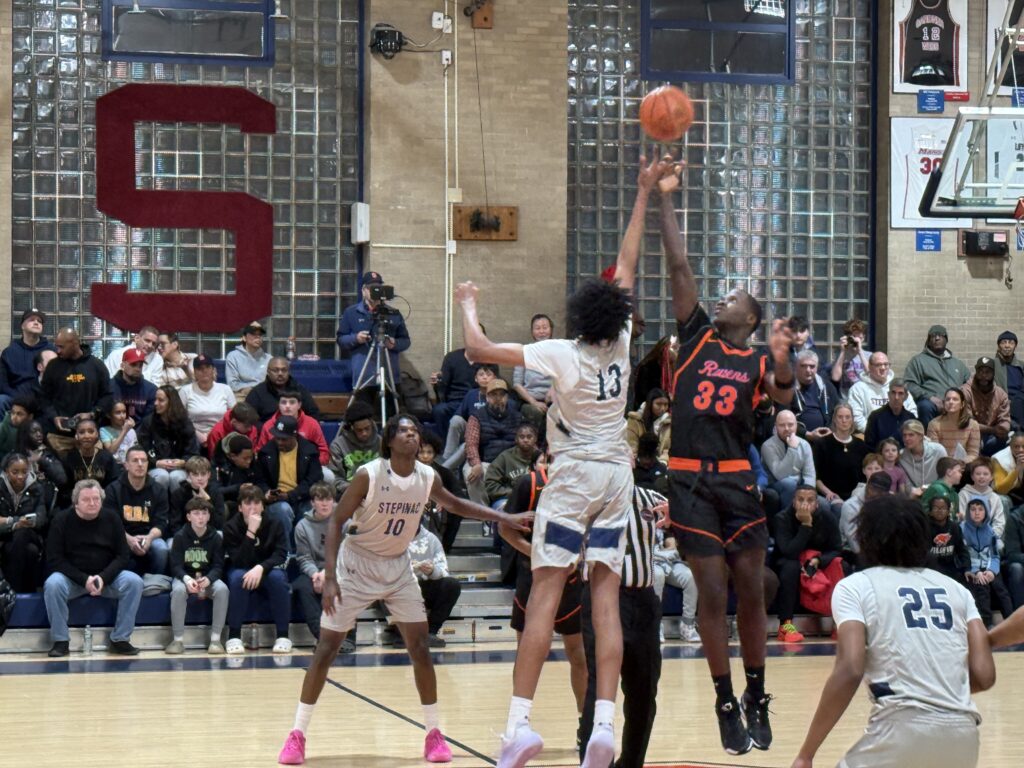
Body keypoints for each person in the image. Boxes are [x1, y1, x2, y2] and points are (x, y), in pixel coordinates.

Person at [455, 154, 669, 768]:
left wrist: (469, 301)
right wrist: (643, 192)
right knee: (604, 596)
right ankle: (603, 722)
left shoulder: (559, 354)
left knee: (546, 594)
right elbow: (627, 262)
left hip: (574, 473)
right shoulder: (625, 344)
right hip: (617, 478)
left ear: (578, 315)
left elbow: (477, 348)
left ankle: (518, 726)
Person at [276, 414, 528, 766]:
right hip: (357, 564)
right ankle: (297, 734)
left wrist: (503, 517)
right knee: (326, 649)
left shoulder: (428, 476)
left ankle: (433, 733)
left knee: (420, 647)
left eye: (416, 431)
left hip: (397, 565)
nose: (413, 435)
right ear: (391, 440)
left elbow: (456, 504)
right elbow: (335, 520)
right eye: (405, 431)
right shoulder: (370, 475)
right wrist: (330, 575)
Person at [660, 155, 795, 756]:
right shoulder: (694, 339)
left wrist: (784, 353)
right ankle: (722, 698)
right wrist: (665, 195)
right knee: (711, 591)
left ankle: (757, 693)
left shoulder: (759, 359)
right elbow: (679, 262)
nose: (722, 298)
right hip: (689, 481)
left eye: (735, 296)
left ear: (753, 318)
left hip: (738, 480)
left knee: (753, 589)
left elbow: (784, 395)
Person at [790, 496, 995, 768]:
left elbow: (850, 669)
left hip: (899, 729)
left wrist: (807, 754)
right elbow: (984, 675)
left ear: (866, 537)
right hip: (964, 736)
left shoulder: (856, 586)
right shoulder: (957, 590)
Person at [577, 485, 668, 768]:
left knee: (644, 692)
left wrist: (682, 517)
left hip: (643, 600)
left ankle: (631, 763)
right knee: (598, 690)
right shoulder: (584, 495)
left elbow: (690, 524)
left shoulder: (653, 499)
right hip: (601, 599)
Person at [498, 461, 589, 740]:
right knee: (527, 654)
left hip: (572, 582)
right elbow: (505, 529)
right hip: (534, 580)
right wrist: (537, 555)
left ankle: (585, 726)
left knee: (580, 657)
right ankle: (517, 725)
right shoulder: (530, 483)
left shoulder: (586, 483)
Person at [44, 479, 144, 657]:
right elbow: (55, 559)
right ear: (76, 502)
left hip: (105, 579)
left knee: (134, 581)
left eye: (96, 499)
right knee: (53, 584)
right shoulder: (62, 520)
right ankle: (61, 641)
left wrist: (103, 578)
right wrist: (85, 580)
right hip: (73, 580)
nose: (92, 503)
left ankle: (120, 639)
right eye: (86, 499)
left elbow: (123, 556)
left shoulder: (112, 518)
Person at [222, 483, 291, 654]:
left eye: (256, 503)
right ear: (239, 507)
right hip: (242, 567)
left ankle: (283, 635)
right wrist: (251, 532)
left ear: (263, 505)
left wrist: (261, 567)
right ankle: (234, 636)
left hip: (266, 569)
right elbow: (238, 560)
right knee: (238, 578)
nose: (253, 508)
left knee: (278, 578)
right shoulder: (231, 527)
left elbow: (281, 554)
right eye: (248, 504)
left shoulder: (275, 523)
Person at [773, 485, 842, 643]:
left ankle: (838, 621)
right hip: (789, 560)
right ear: (793, 502)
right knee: (790, 566)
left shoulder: (827, 517)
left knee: (840, 564)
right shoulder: (782, 518)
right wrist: (806, 525)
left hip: (817, 561)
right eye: (801, 499)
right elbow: (789, 551)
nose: (805, 504)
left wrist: (819, 560)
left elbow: (837, 548)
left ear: (817, 503)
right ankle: (786, 625)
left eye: (810, 500)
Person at [336, 271, 411, 414]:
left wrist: (394, 344)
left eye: (378, 287)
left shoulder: (393, 313)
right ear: (363, 290)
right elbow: (340, 339)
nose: (375, 291)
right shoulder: (351, 313)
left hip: (389, 375)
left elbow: (406, 341)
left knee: (393, 416)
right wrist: (355, 338)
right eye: (371, 288)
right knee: (362, 416)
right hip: (364, 374)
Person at [166, 497, 228, 655]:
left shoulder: (216, 538)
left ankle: (215, 640)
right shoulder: (180, 537)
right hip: (185, 577)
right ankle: (177, 640)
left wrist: (209, 579)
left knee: (222, 590)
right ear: (189, 516)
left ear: (209, 516)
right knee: (178, 591)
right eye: (196, 513)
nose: (200, 517)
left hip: (207, 578)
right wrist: (187, 579)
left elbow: (218, 566)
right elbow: (175, 566)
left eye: (204, 513)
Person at [292, 482, 347, 649]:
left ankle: (348, 637)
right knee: (302, 587)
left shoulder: (344, 522)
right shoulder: (302, 526)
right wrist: (315, 574)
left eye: (328, 499)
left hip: (339, 570)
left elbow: (346, 555)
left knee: (347, 584)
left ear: (334, 501)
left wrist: (328, 573)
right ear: (312, 503)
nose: (324, 503)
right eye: (320, 499)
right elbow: (303, 558)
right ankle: (324, 638)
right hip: (313, 571)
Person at [40, 327, 113, 453]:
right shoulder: (53, 367)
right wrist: (54, 417)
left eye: (61, 347)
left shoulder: (97, 366)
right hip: (59, 436)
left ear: (74, 343)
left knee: (93, 471)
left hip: (89, 434)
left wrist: (92, 414)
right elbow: (43, 398)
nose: (58, 351)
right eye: (57, 346)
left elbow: (108, 396)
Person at [254, 414, 323, 546]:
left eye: (284, 439)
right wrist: (266, 493)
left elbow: (314, 480)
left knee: (310, 510)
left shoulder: (310, 451)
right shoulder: (265, 452)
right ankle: (285, 553)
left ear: (294, 436)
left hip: (302, 497)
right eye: (277, 438)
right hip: (276, 501)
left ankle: (306, 551)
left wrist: (291, 495)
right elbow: (259, 480)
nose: (279, 442)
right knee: (283, 510)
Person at [102, 445, 170, 577]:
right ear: (126, 465)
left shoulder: (158, 490)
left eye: (143, 460)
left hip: (149, 535)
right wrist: (129, 539)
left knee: (161, 549)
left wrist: (149, 538)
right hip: (122, 535)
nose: (140, 464)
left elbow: (161, 523)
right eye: (135, 460)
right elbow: (111, 523)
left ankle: (155, 585)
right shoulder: (113, 490)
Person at [464, 378, 522, 505]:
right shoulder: (476, 416)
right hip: (486, 462)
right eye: (494, 394)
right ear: (487, 397)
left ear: (507, 397)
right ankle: (483, 513)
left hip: (510, 463)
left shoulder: (517, 416)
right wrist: (476, 464)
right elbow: (471, 444)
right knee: (471, 474)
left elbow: (524, 442)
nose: (498, 398)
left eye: (502, 394)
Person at [961, 497, 1014, 628]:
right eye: (973, 509)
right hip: (972, 569)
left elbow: (995, 555)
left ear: (986, 512)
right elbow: (964, 555)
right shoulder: (962, 529)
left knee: (1000, 588)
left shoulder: (990, 531)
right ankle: (986, 624)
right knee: (981, 588)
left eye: (980, 509)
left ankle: (1011, 622)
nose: (977, 513)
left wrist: (991, 570)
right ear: (968, 512)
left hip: (989, 568)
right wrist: (976, 571)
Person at [407, 522, 462, 646]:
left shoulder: (431, 539)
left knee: (451, 585)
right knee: (387, 585)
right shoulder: (389, 537)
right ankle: (399, 633)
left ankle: (431, 632)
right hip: (400, 587)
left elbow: (443, 570)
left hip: (423, 587)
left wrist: (432, 571)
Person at [903, 325, 971, 426]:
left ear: (946, 339)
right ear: (928, 340)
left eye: (940, 335)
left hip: (956, 403)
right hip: (932, 404)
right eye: (933, 336)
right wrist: (930, 397)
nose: (937, 338)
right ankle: (928, 440)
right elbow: (909, 384)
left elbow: (970, 383)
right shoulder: (918, 361)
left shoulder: (958, 364)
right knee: (924, 406)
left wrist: (959, 398)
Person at [136, 385, 201, 488]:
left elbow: (193, 452)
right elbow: (142, 449)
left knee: (177, 477)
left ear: (171, 403)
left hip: (180, 468)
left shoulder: (185, 423)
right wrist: (156, 462)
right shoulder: (149, 422)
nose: (155, 403)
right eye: (155, 399)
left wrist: (183, 462)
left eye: (160, 400)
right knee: (162, 476)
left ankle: (177, 504)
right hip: (154, 466)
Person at [0, 452, 48, 592]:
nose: (20, 476)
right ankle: (26, 592)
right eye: (15, 472)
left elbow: (41, 517)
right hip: (6, 537)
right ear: (6, 472)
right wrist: (16, 522)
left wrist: (26, 522)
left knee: (22, 533)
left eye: (24, 472)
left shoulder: (36, 488)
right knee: (30, 552)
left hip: (30, 534)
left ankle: (11, 591)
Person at [812, 403, 869, 518]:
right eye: (840, 417)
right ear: (834, 419)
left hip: (855, 496)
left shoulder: (861, 445)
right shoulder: (822, 444)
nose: (844, 420)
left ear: (852, 420)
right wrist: (829, 493)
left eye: (847, 417)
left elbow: (864, 477)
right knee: (840, 510)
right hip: (830, 495)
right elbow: (816, 476)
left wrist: (856, 496)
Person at [761, 409, 816, 514]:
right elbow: (780, 475)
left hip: (800, 487)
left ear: (796, 425)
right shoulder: (767, 446)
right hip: (776, 485)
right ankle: (789, 520)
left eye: (790, 425)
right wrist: (792, 449)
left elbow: (809, 475)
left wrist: (808, 496)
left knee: (824, 505)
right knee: (789, 483)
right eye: (782, 425)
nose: (787, 429)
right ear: (776, 426)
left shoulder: (804, 444)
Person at [848, 354, 918, 435]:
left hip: (900, 434)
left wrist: (899, 432)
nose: (883, 368)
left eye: (886, 364)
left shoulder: (898, 386)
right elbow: (857, 419)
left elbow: (912, 412)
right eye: (878, 365)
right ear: (870, 367)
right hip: (871, 435)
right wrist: (877, 432)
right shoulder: (858, 388)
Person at [59, 417, 122, 507]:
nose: (86, 436)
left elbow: (113, 484)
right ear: (76, 436)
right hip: (76, 504)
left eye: (91, 431)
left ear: (97, 434)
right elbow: (65, 488)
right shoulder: (69, 458)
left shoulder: (106, 457)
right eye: (81, 432)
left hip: (102, 503)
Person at [177, 353, 236, 448]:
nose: (204, 371)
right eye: (200, 368)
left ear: (213, 370)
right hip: (193, 436)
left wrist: (215, 434)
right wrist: (197, 434)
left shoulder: (225, 389)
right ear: (195, 372)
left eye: (207, 367)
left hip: (221, 435)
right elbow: (179, 418)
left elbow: (233, 416)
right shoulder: (185, 391)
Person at [1, 309, 55, 404]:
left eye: (39, 321)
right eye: (32, 320)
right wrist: (18, 399)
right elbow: (3, 384)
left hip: (45, 397)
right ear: (22, 326)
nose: (36, 323)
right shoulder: (9, 352)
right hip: (16, 398)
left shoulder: (51, 351)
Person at [326, 399, 381, 495]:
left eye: (367, 428)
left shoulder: (381, 442)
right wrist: (355, 489)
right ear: (351, 428)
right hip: (349, 492)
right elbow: (335, 478)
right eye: (359, 430)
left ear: (372, 424)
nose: (364, 433)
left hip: (378, 490)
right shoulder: (338, 446)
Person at [511, 314, 555, 431]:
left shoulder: (559, 350)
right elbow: (517, 384)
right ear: (532, 332)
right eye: (537, 328)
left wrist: (553, 388)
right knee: (534, 412)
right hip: (530, 399)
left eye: (545, 327)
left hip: (555, 398)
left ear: (551, 329)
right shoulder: (524, 352)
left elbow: (565, 375)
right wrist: (534, 402)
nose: (542, 331)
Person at [245, 356, 320, 426]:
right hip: (268, 434)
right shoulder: (257, 392)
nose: (280, 373)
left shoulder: (298, 389)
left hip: (296, 433)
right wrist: (267, 430)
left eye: (284, 370)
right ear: (268, 371)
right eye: (275, 370)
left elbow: (313, 413)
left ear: (289, 372)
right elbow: (249, 419)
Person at [962, 356, 1011, 457]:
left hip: (992, 436)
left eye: (988, 372)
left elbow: (1005, 420)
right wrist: (992, 430)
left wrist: (1003, 429)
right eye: (980, 372)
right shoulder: (965, 391)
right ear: (976, 372)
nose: (983, 376)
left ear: (993, 374)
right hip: (970, 433)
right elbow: (968, 423)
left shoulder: (1001, 394)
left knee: (1008, 438)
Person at [167, 455, 225, 537]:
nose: (200, 478)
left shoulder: (215, 492)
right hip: (185, 536)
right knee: (170, 544)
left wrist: (207, 501)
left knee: (220, 535)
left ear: (209, 475)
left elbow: (219, 524)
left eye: (203, 474)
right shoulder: (179, 494)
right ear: (188, 475)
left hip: (209, 536)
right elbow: (175, 524)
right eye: (195, 474)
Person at [788, 350, 839, 438]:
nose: (808, 370)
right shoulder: (787, 388)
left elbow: (838, 411)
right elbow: (783, 419)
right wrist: (807, 434)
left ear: (817, 367)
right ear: (796, 367)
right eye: (803, 366)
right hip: (797, 438)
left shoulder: (826, 386)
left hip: (826, 437)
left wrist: (831, 430)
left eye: (812, 366)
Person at [926, 387, 981, 463]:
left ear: (962, 404)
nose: (951, 402)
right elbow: (935, 453)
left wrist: (959, 464)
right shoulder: (934, 424)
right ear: (944, 403)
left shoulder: (973, 425)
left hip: (964, 465)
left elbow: (973, 454)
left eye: (955, 399)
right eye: (948, 399)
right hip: (942, 466)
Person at [863, 377, 916, 450]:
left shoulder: (910, 418)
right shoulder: (875, 417)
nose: (896, 397)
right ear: (888, 394)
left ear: (906, 396)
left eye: (900, 393)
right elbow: (869, 446)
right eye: (893, 393)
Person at [958, 458, 1005, 535]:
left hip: (989, 537)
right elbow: (962, 519)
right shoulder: (964, 494)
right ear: (972, 476)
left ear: (992, 477)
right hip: (968, 537)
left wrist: (991, 537)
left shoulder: (995, 497)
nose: (981, 477)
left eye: (985, 474)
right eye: (978, 474)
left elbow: (999, 522)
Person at [898, 419, 947, 493]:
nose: (906, 439)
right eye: (904, 435)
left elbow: (946, 478)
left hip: (937, 493)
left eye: (911, 435)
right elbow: (906, 485)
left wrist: (927, 489)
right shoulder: (901, 456)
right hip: (914, 496)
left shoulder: (938, 450)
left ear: (921, 436)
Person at [109, 348, 156, 422]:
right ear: (122, 365)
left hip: (140, 432)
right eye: (133, 365)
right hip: (111, 431)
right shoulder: (108, 387)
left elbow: (148, 422)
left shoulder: (151, 390)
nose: (137, 369)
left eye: (140, 365)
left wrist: (134, 433)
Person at [225, 322, 271, 397]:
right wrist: (245, 389)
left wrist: (255, 390)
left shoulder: (269, 358)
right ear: (244, 338)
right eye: (253, 334)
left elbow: (272, 383)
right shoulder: (233, 356)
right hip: (241, 396)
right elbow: (232, 384)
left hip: (263, 395)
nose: (258, 337)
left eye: (260, 335)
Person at [828, 317, 871, 398]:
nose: (855, 341)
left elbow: (871, 375)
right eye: (853, 337)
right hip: (846, 399)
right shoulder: (841, 356)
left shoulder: (869, 356)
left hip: (864, 398)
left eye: (859, 338)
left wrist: (860, 351)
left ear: (863, 338)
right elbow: (835, 377)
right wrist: (843, 351)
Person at [624, 387, 671, 459]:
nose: (663, 408)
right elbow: (632, 446)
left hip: (662, 462)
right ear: (650, 404)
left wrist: (664, 459)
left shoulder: (669, 423)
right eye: (658, 404)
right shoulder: (635, 420)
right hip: (638, 461)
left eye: (665, 404)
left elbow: (668, 449)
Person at [993, 329, 1024, 429]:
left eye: (1011, 343)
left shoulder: (1021, 366)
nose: (1007, 346)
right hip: (999, 405)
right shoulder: (992, 364)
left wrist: (1014, 403)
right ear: (999, 346)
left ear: (1015, 346)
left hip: (1019, 405)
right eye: (1003, 342)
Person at [99, 400, 137, 465]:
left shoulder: (131, 430)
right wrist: (124, 431)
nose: (122, 416)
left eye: (124, 412)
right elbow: (110, 451)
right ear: (109, 415)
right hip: (114, 466)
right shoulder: (104, 430)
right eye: (118, 413)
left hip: (130, 465)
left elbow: (135, 451)